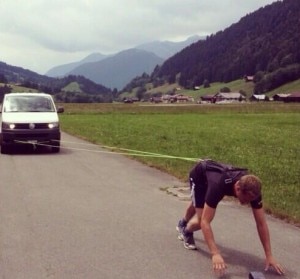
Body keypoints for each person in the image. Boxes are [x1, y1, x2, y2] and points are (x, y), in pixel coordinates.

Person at [176, 159, 284, 276]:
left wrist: (269, 255)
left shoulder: (252, 190)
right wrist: (215, 253)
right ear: (237, 188)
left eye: (250, 200)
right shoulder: (218, 186)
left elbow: (261, 223)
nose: (248, 202)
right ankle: (186, 230)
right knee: (200, 217)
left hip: (214, 177)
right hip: (200, 176)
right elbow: (205, 222)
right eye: (246, 199)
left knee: (199, 202)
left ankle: (183, 222)